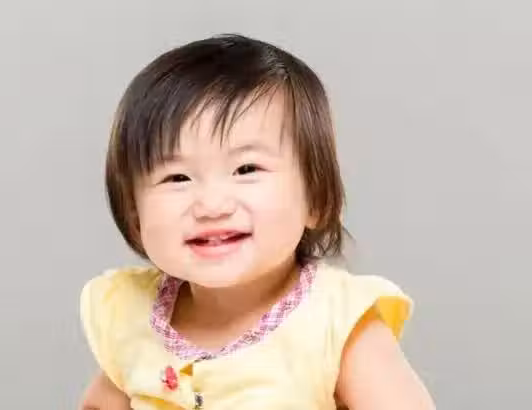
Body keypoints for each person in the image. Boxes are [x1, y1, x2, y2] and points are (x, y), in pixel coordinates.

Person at [79, 34, 435, 409]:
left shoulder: (337, 324)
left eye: (246, 169)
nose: (212, 205)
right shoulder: (132, 317)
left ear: (315, 197)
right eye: (177, 178)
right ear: (134, 215)